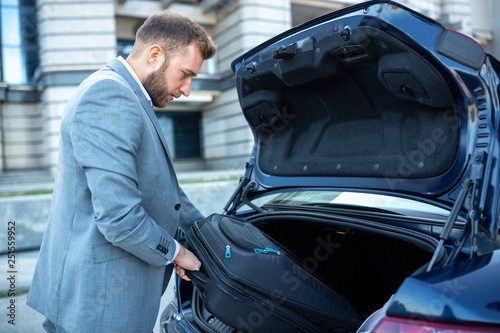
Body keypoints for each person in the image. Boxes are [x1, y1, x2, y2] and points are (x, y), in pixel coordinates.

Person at [27, 10, 216, 332]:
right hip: (98, 299)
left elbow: (168, 192)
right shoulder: (110, 96)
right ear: (155, 54)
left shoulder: (130, 96)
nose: (186, 89)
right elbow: (119, 218)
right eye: (185, 74)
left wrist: (210, 233)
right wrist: (177, 253)